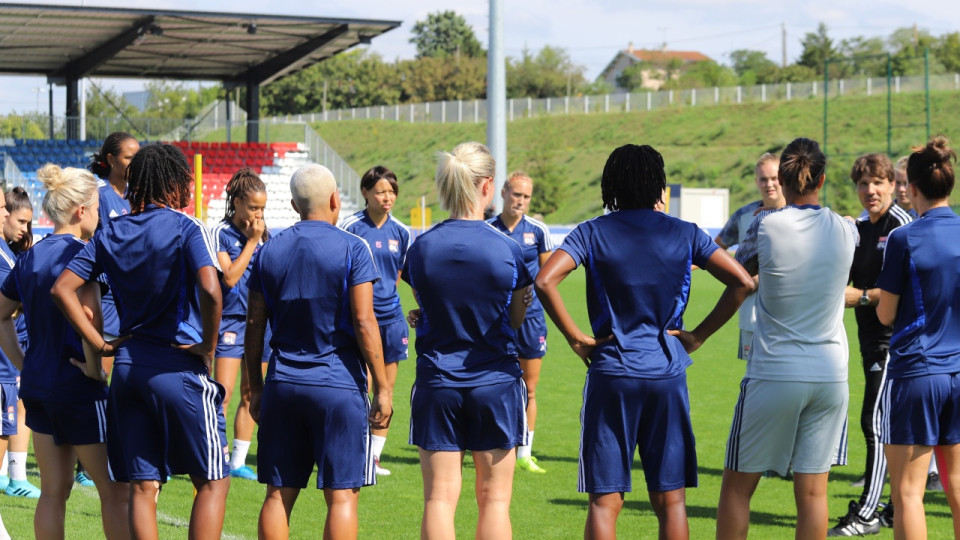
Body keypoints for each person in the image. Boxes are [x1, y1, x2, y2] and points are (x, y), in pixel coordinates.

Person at [535, 144, 754, 540]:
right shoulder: (685, 231)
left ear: (611, 184)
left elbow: (545, 280)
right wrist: (698, 336)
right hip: (666, 373)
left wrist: (576, 338)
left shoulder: (592, 231)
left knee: (605, 501)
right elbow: (742, 282)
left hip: (612, 371)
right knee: (671, 500)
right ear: (658, 183)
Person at [52, 143, 228, 540]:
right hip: (177, 366)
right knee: (212, 481)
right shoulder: (187, 226)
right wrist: (208, 345)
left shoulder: (110, 231)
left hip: (128, 370)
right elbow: (212, 291)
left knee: (143, 487)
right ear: (173, 183)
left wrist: (100, 344)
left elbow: (62, 289)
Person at [716, 137, 858, 540]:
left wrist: (699, 333)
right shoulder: (847, 229)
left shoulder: (765, 223)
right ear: (822, 178)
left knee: (737, 489)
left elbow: (735, 273)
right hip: (831, 376)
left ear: (781, 179)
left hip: (775, 372)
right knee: (813, 494)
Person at [244, 164, 392, 540]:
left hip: (283, 383)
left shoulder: (268, 250)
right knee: (342, 497)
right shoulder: (353, 247)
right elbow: (364, 322)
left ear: (294, 205)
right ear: (334, 200)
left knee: (278, 493)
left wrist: (256, 388)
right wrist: (383, 387)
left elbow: (254, 326)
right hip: (337, 386)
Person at [403, 142, 531, 539]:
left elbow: (426, 306)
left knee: (439, 499)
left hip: (438, 381)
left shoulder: (421, 248)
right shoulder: (508, 247)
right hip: (494, 380)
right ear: (488, 185)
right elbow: (514, 319)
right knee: (494, 500)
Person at [0, 164, 129, 539]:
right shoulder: (84, 256)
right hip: (78, 388)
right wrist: (94, 368)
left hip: (39, 385)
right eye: (98, 207)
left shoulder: (28, 258)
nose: (102, 215)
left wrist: (24, 363)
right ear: (81, 210)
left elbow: (2, 316)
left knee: (53, 493)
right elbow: (89, 317)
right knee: (114, 491)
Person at [876, 135, 960, 540]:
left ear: (911, 186)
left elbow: (886, 313)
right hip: (958, 371)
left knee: (908, 493)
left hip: (917, 373)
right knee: (956, 482)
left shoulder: (904, 238)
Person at [828, 153, 912, 536]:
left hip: (895, 341)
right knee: (890, 423)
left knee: (874, 421)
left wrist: (861, 296)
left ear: (894, 185)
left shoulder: (902, 228)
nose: (870, 190)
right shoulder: (858, 227)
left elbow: (906, 289)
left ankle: (868, 512)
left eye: (878, 182)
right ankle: (895, 507)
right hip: (868, 339)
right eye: (863, 184)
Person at [339, 165, 410, 477]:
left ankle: (374, 458)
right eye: (380, 191)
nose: (387, 197)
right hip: (360, 318)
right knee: (362, 384)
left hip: (392, 318)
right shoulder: (350, 227)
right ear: (365, 193)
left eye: (391, 192)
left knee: (386, 387)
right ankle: (353, 450)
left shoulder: (402, 232)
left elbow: (403, 274)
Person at [487, 171, 554, 474]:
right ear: (503, 192)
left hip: (532, 318)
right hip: (495, 318)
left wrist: (528, 296)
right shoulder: (488, 229)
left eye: (526, 197)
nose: (521, 201)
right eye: (516, 195)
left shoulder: (538, 231)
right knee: (492, 383)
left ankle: (525, 452)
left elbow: (549, 275)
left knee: (530, 388)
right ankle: (489, 445)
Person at [211, 168, 269, 481]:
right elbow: (230, 278)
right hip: (231, 322)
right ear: (237, 202)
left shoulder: (266, 234)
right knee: (223, 393)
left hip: (260, 323)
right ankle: (214, 452)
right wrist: (251, 242)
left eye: (262, 208)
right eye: (253, 207)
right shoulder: (221, 232)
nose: (258, 214)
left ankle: (237, 460)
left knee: (252, 393)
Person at [715, 152, 785, 362]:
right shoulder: (744, 216)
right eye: (763, 179)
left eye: (774, 178)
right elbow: (714, 249)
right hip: (751, 318)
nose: (769, 184)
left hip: (787, 319)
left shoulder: (798, 214)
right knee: (753, 380)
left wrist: (759, 279)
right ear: (756, 181)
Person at [4, 187, 33, 255]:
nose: (25, 229)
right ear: (5, 214)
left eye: (28, 223)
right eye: (21, 221)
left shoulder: (22, 252)